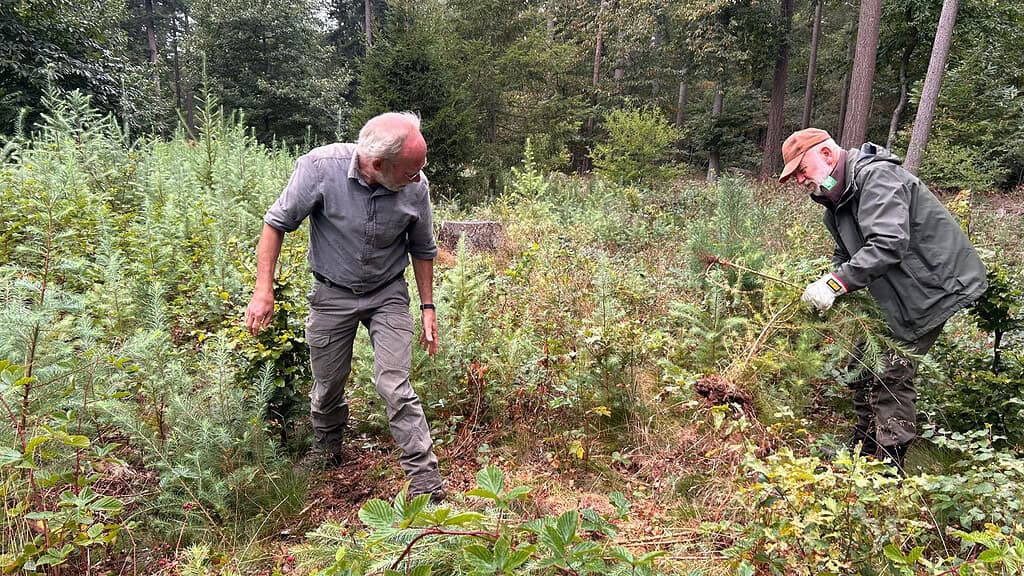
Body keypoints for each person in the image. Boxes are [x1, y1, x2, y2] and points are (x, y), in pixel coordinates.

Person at [244, 112, 445, 502]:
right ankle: (327, 448)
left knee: (394, 384)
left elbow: (422, 248)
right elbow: (276, 224)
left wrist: (427, 306)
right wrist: (263, 288)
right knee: (328, 384)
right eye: (410, 170)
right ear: (378, 164)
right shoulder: (320, 168)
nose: (418, 177)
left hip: (388, 294)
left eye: (421, 168)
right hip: (331, 294)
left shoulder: (415, 187)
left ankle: (426, 484)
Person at [779, 128, 987, 472]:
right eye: (795, 175)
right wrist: (830, 281)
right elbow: (843, 252)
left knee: (889, 372)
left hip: (932, 286)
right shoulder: (835, 203)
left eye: (802, 170)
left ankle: (890, 466)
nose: (800, 180)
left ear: (828, 156)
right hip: (897, 288)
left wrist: (836, 283)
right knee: (860, 364)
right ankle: (864, 444)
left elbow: (888, 243)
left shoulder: (876, 178)